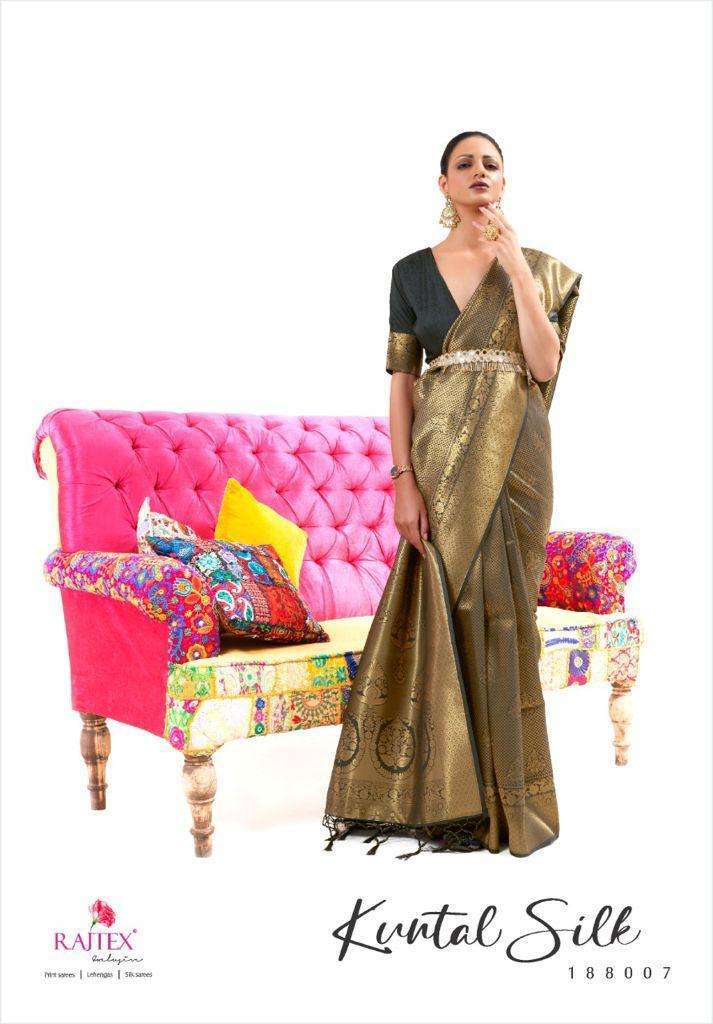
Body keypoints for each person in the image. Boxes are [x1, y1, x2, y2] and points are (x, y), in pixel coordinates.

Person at [323, 131, 583, 858]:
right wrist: (402, 479)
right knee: (448, 603)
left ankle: (508, 800)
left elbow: (542, 364)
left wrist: (517, 270)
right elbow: (401, 385)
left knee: (506, 615)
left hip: (518, 456)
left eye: (489, 164)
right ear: (443, 183)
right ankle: (443, 795)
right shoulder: (411, 272)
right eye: (463, 164)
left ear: (504, 181)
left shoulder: (540, 269)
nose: (478, 172)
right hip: (439, 459)